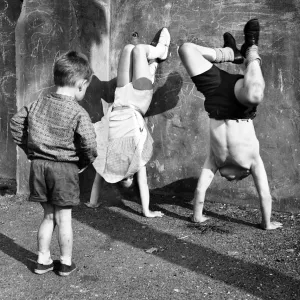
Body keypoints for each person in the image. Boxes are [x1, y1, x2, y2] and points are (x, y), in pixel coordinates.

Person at [178, 18, 282, 230]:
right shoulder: (254, 161)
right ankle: (251, 52)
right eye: (236, 179)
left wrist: (197, 216)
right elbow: (265, 193)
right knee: (255, 95)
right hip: (241, 104)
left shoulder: (215, 160)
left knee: (186, 49)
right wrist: (267, 223)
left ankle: (229, 53)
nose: (229, 179)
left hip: (216, 96)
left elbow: (200, 191)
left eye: (225, 179)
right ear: (246, 174)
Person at [10, 51, 97, 275]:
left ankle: (42, 260)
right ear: (80, 84)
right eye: (85, 87)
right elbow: (89, 143)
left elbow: (15, 123)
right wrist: (84, 162)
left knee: (49, 216)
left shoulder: (37, 104)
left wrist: (30, 150)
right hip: (64, 168)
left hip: (39, 167)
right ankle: (65, 262)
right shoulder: (78, 112)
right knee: (64, 218)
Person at [85, 28, 171, 218]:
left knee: (127, 50)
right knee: (139, 50)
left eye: (124, 179)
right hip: (137, 102)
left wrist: (93, 203)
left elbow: (97, 183)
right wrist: (147, 212)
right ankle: (160, 51)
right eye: (128, 179)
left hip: (120, 98)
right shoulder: (135, 161)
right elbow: (144, 186)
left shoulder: (106, 164)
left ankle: (152, 63)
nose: (126, 176)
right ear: (131, 176)